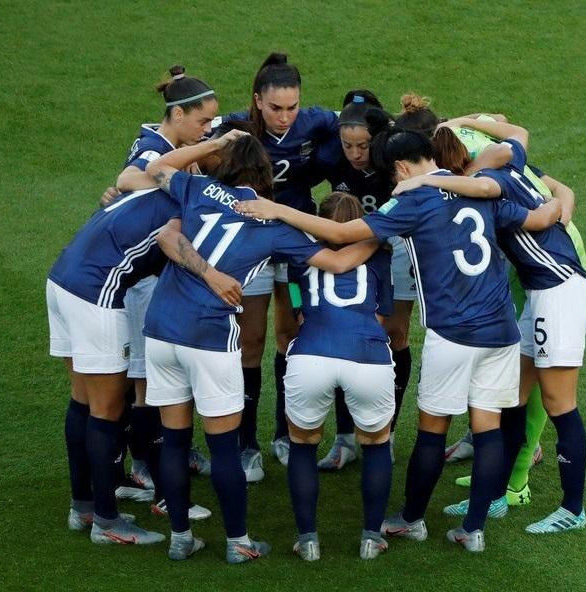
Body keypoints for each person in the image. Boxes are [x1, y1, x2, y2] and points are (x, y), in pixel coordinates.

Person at [235, 122, 561, 552]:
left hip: (452, 332)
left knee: (433, 429)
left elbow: (342, 236)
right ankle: (474, 529)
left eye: (393, 175)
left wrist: (277, 211)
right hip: (500, 328)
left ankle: (409, 520)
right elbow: (538, 215)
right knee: (488, 428)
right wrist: (563, 200)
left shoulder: (413, 200)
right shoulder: (480, 188)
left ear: (404, 168)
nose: (393, 183)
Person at [118, 124, 380, 562]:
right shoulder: (271, 221)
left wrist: (212, 143)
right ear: (265, 177)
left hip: (161, 330)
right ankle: (238, 541)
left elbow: (158, 166)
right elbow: (337, 258)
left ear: (224, 164)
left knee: (175, 438)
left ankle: (180, 537)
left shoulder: (197, 188)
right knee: (223, 446)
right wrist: (379, 235)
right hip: (209, 336)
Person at [393, 116, 586, 534]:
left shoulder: (488, 180)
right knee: (513, 401)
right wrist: (469, 121)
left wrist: (427, 183)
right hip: (543, 293)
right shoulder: (511, 166)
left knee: (560, 405)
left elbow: (489, 185)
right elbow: (520, 135)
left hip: (557, 291)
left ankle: (572, 509)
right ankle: (499, 494)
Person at [48, 131, 243, 546]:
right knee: (107, 407)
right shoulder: (195, 200)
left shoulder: (159, 179)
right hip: (95, 290)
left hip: (63, 276)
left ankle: (82, 506)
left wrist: (208, 145)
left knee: (83, 399)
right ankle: (106, 522)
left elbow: (145, 174)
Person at [218, 53, 341, 473]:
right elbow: (180, 146)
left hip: (291, 252)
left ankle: (286, 434)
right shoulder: (233, 128)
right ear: (257, 100)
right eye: (275, 108)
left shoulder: (317, 121)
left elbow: (365, 121)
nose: (285, 117)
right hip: (252, 251)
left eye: (292, 107)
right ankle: (245, 442)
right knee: (250, 339)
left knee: (290, 333)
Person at [112, 65, 216, 520]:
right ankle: (152, 477)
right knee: (147, 382)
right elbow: (126, 181)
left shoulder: (173, 144)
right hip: (144, 280)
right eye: (203, 122)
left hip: (156, 276)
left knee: (155, 380)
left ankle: (157, 462)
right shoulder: (156, 148)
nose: (208, 129)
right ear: (177, 115)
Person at [283, 191, 396, 561]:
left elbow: (297, 308)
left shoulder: (300, 257)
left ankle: (308, 540)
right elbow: (383, 316)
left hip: (310, 353)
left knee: (302, 444)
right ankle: (370, 538)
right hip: (367, 355)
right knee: (377, 444)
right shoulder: (380, 256)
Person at [311, 91, 414, 470]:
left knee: (395, 334)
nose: (355, 154)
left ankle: (385, 431)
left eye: (363, 146)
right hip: (348, 250)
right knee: (343, 331)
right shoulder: (330, 158)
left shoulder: (394, 163)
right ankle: (345, 438)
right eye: (347, 145)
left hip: (396, 251)